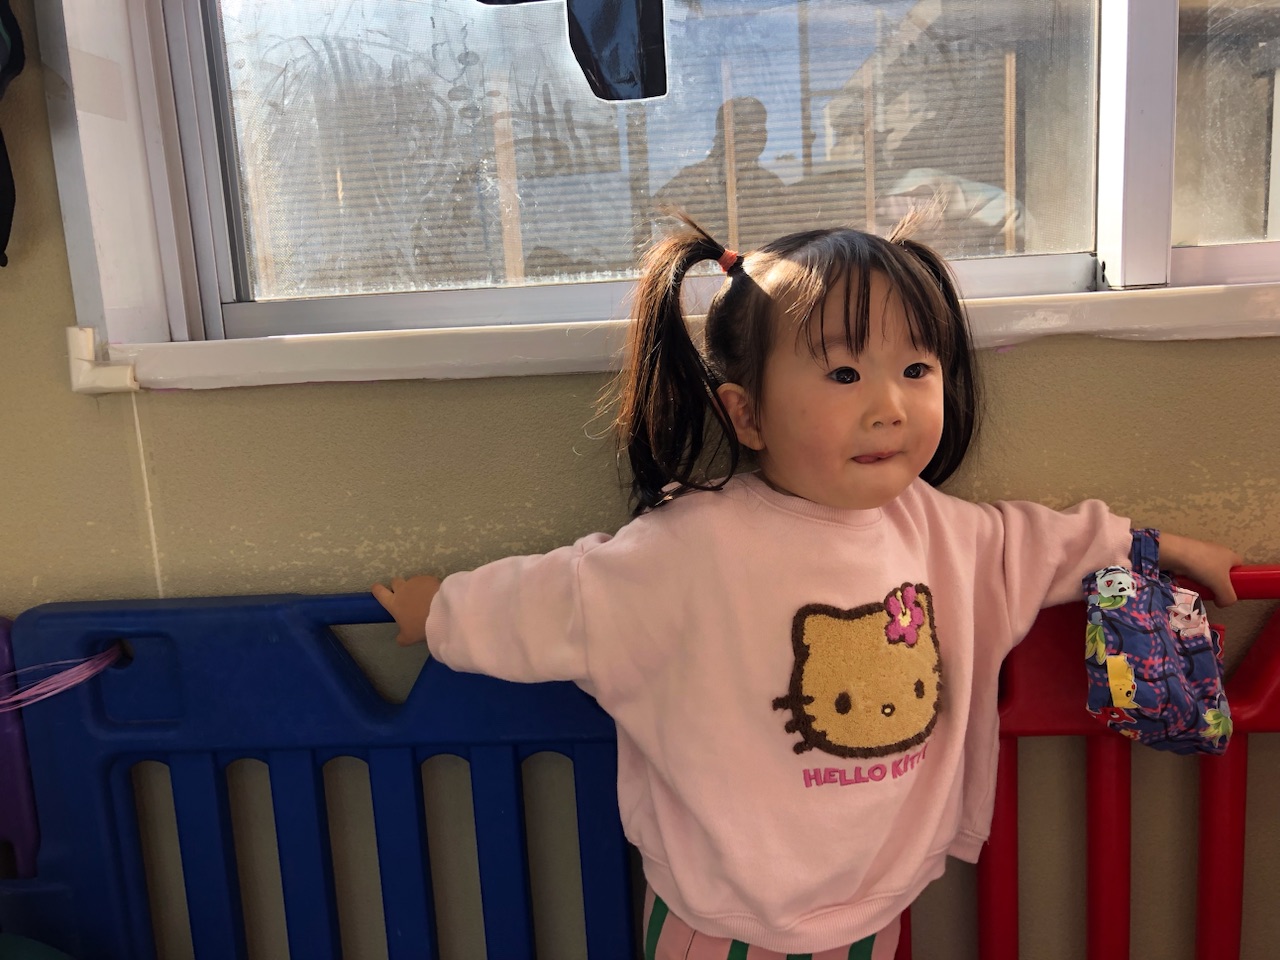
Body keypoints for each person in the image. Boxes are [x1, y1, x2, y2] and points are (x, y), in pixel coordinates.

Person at [373, 215, 1241, 958]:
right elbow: (559, 601)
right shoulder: (687, 549)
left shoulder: (947, 533)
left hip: (877, 903)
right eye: (844, 374)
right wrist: (440, 611)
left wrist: (1162, 549)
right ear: (746, 413)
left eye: (917, 369)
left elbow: (1051, 542)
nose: (889, 405)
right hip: (720, 919)